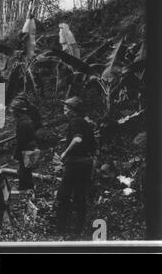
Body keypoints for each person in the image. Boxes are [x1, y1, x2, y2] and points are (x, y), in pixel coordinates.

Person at [56, 96, 97, 235]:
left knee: (63, 196)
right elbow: (93, 144)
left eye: (66, 108)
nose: (64, 111)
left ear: (73, 111)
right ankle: (77, 230)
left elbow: (78, 138)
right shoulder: (85, 123)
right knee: (79, 196)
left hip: (75, 164)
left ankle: (61, 229)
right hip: (86, 163)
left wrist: (65, 153)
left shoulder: (75, 122)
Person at [9, 93, 40, 190]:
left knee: (23, 174)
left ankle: (25, 193)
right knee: (27, 173)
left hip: (27, 151)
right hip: (31, 149)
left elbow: (21, 143)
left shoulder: (23, 123)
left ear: (17, 111)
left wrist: (15, 155)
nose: (12, 112)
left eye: (13, 110)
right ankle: (29, 191)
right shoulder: (27, 120)